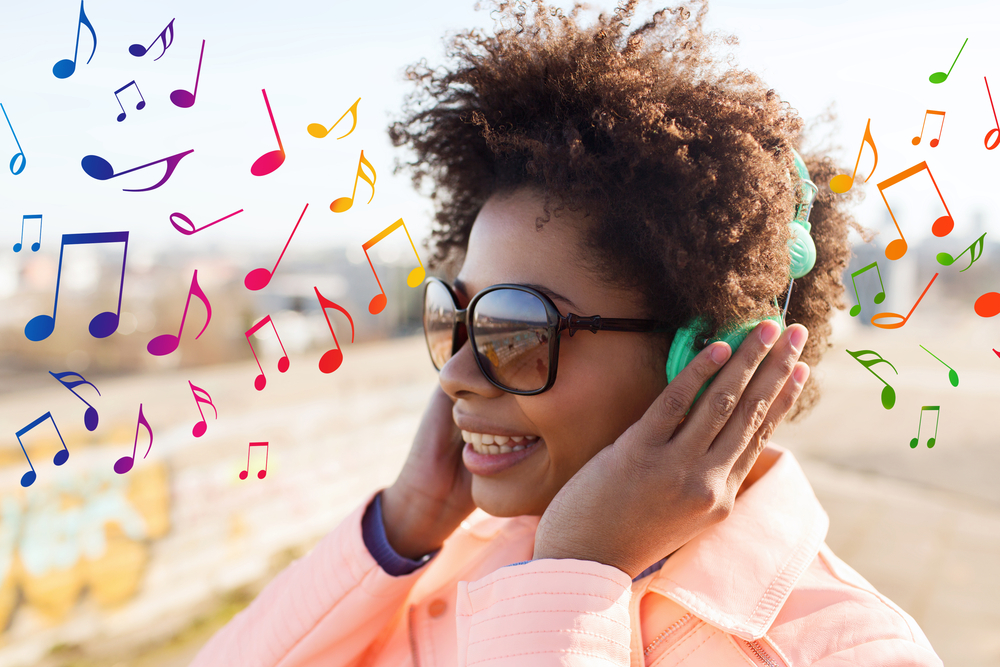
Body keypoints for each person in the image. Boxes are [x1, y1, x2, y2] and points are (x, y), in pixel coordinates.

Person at [190, 1, 943, 665]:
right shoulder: (460, 561)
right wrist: (404, 524)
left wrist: (572, 577)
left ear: (706, 363)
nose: (455, 372)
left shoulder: (849, 650)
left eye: (516, 328)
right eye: (456, 317)